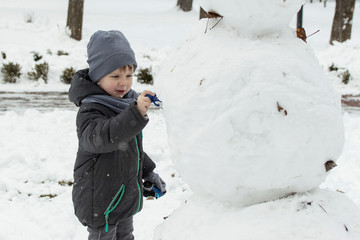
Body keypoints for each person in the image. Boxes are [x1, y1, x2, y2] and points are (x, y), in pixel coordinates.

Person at [68, 30, 166, 240]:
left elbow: (130, 146)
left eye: (129, 76)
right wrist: (135, 114)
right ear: (97, 77)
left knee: (126, 236)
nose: (124, 83)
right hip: (100, 201)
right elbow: (102, 138)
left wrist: (148, 172)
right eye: (115, 76)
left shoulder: (125, 102)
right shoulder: (91, 109)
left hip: (123, 196)